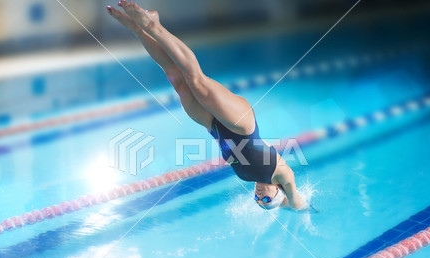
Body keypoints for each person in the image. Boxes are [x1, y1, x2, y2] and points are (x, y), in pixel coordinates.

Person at [107, 2, 306, 210]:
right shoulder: (281, 174)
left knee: (177, 79)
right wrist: (297, 206)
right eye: (266, 199)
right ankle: (154, 25)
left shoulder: (247, 178)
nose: (259, 197)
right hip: (242, 125)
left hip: (214, 126)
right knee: (196, 81)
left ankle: (137, 29)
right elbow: (296, 202)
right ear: (278, 190)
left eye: (258, 201)